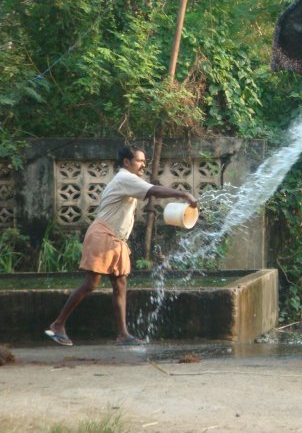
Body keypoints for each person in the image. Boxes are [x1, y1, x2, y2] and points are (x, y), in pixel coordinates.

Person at [44, 145, 198, 346]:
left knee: (120, 284)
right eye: (139, 161)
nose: (143, 165)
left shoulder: (128, 180)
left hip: (115, 239)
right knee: (91, 283)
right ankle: (58, 324)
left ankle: (122, 334)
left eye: (144, 161)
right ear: (127, 162)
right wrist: (182, 194)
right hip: (103, 235)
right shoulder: (125, 178)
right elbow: (154, 190)